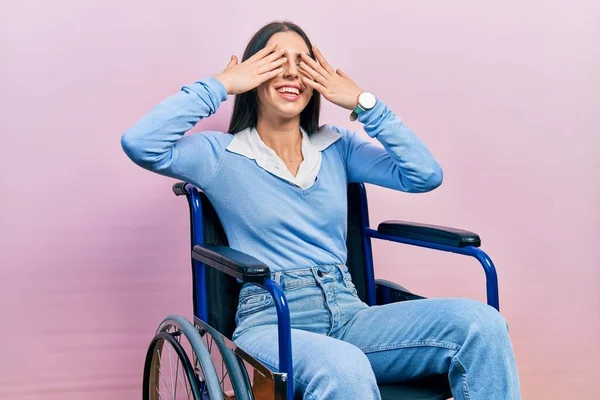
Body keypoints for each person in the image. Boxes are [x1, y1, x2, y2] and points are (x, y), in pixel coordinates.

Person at [121, 20, 520, 400]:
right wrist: (221, 85)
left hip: (348, 311)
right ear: (253, 75)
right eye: (276, 61)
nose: (291, 73)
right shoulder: (220, 155)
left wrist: (366, 104)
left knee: (482, 326)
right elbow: (140, 143)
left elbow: (424, 175)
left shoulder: (337, 147)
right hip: (271, 320)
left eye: (303, 63)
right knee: (344, 366)